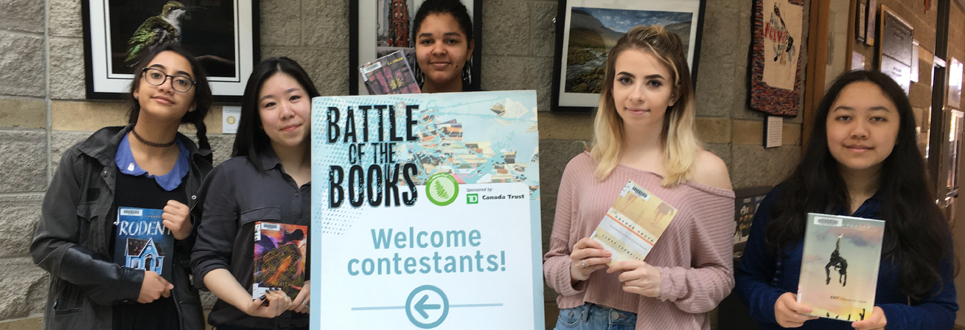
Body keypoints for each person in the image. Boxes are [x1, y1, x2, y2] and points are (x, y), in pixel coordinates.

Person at [543, 25, 735, 330]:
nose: (636, 95)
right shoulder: (581, 167)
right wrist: (573, 269)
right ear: (611, 88)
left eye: (653, 83)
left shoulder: (706, 171)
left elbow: (721, 278)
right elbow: (553, 264)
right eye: (625, 80)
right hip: (579, 321)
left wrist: (664, 282)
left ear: (674, 94)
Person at [734, 70, 958, 330]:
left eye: (877, 118)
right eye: (844, 117)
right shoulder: (785, 200)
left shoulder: (921, 215)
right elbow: (749, 277)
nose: (859, 131)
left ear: (900, 133)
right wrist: (772, 304)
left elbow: (942, 310)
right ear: (825, 128)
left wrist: (891, 319)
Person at [30, 44, 213, 330]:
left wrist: (188, 234)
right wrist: (129, 283)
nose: (166, 86)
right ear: (137, 88)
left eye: (180, 81)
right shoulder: (84, 160)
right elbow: (47, 246)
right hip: (92, 318)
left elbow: (208, 263)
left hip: (169, 318)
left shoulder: (201, 174)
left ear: (192, 102)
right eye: (156, 75)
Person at [191, 57, 318, 330]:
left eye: (294, 97)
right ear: (257, 119)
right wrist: (247, 302)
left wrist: (325, 285)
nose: (285, 112)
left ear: (313, 102)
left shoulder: (346, 178)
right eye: (270, 104)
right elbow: (207, 259)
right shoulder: (231, 176)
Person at [411, 0, 477, 92]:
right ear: (415, 48)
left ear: (469, 49)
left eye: (451, 41)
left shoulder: (494, 105)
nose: (438, 51)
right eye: (427, 41)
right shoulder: (398, 105)